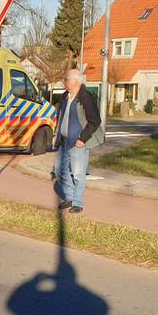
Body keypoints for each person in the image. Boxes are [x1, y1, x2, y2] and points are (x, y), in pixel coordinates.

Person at [54, 68, 103, 213]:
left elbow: (95, 121)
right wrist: (57, 135)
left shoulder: (86, 98)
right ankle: (69, 197)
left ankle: (77, 203)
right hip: (64, 141)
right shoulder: (65, 97)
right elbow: (62, 117)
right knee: (59, 170)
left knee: (78, 173)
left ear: (75, 81)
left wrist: (83, 139)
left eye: (66, 79)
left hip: (78, 143)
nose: (64, 82)